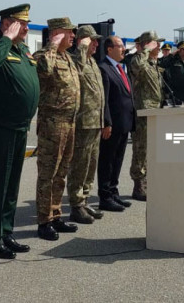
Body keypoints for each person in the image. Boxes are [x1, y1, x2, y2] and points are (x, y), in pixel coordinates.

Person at [0, 4, 40, 259]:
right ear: (6, 23)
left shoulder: (22, 49)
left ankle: (5, 232)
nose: (26, 27)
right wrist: (5, 39)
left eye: (26, 23)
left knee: (11, 186)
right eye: (20, 23)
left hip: (19, 127)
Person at [34, 17, 81, 241]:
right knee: (48, 174)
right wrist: (53, 44)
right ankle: (44, 221)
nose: (73, 35)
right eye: (68, 32)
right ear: (56, 33)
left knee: (61, 173)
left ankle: (55, 214)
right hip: (52, 123)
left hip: (70, 122)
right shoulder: (44, 55)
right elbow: (43, 71)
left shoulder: (67, 57)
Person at [67, 25, 106, 224]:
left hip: (95, 122)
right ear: (83, 40)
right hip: (83, 122)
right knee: (79, 166)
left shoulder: (92, 62)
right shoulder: (76, 59)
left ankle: (85, 200)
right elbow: (77, 72)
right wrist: (81, 48)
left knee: (91, 165)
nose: (96, 44)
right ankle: (75, 205)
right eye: (92, 40)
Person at [97, 36, 136, 212]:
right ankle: (105, 196)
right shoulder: (104, 68)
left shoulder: (121, 68)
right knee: (107, 160)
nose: (123, 49)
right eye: (120, 46)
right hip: (112, 124)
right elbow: (103, 99)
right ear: (109, 49)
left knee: (118, 160)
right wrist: (106, 122)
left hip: (124, 122)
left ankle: (113, 192)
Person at [128, 31, 164, 201]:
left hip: (155, 111)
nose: (159, 46)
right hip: (143, 112)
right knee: (141, 149)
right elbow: (137, 66)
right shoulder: (138, 60)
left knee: (151, 149)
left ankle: (149, 181)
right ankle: (139, 185)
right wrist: (145, 50)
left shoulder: (153, 63)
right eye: (156, 43)